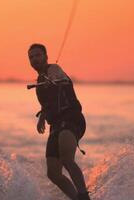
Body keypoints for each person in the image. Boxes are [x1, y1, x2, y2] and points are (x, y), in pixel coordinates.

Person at [28, 43, 91, 200]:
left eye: (37, 55)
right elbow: (46, 105)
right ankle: (76, 198)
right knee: (53, 173)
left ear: (45, 57)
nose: (34, 59)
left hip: (71, 118)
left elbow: (60, 77)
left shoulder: (54, 69)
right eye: (31, 57)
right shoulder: (39, 84)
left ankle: (84, 196)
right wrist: (42, 118)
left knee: (66, 159)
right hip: (55, 125)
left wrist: (55, 80)